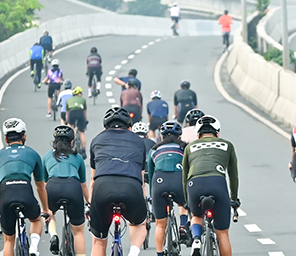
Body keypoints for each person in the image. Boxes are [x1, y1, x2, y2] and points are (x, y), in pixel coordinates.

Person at [89, 107, 149, 256]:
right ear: (129, 127)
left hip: (102, 187)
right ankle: (133, 253)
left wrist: (91, 205)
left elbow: (92, 179)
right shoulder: (139, 142)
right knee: (140, 224)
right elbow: (141, 179)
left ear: (105, 127)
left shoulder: (97, 140)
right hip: (131, 187)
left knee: (98, 241)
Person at [0, 118, 51, 256]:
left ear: (6, 139)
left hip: (6, 196)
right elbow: (40, 187)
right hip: (25, 193)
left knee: (8, 241)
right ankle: (33, 249)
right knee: (36, 220)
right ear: (24, 136)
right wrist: (46, 209)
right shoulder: (33, 154)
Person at [182, 115, 240, 256]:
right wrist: (234, 198)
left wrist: (187, 201)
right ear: (218, 133)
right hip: (217, 183)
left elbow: (184, 177)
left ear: (198, 134)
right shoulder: (227, 145)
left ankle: (196, 239)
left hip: (194, 184)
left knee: (197, 215)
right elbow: (233, 176)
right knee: (222, 234)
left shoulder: (190, 147)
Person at [43, 125, 89, 256]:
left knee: (49, 212)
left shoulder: (47, 156)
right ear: (72, 142)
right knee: (78, 232)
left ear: (55, 142)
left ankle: (54, 235)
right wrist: (89, 202)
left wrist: (45, 207)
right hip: (73, 187)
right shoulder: (78, 157)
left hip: (53, 186)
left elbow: (44, 184)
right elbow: (83, 185)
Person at [149, 121, 191, 254]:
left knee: (160, 225)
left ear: (161, 137)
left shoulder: (154, 150)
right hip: (178, 181)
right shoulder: (185, 148)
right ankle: (183, 225)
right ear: (179, 136)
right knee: (184, 205)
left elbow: (150, 176)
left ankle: (159, 253)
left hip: (159, 182)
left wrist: (152, 196)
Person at [66, 87, 88, 159]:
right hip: (80, 113)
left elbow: (67, 112)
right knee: (82, 132)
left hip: (71, 113)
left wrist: (67, 121)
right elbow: (84, 112)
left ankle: (71, 143)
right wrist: (86, 120)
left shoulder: (68, 100)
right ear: (79, 93)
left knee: (71, 128)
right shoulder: (83, 100)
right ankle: (84, 151)